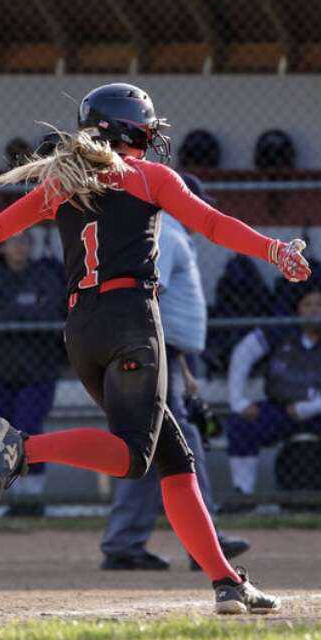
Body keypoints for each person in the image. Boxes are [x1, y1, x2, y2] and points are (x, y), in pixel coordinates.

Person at [0, 82, 310, 614]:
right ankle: (25, 448)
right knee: (135, 456)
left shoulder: (60, 184)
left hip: (81, 330)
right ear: (130, 129)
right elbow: (211, 223)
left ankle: (227, 583)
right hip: (131, 320)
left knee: (174, 459)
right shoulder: (149, 177)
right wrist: (274, 249)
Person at [99, 172, 251, 571]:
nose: (204, 212)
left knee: (150, 449)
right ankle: (204, 544)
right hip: (154, 351)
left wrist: (180, 363)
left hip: (166, 352)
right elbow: (148, 298)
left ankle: (126, 542)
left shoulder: (170, 235)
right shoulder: (165, 233)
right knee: (184, 445)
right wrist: (160, 358)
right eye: (197, 203)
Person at [224, 280, 321, 500]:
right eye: (307, 305)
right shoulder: (282, 329)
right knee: (241, 423)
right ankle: (243, 493)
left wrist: (308, 408)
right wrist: (237, 401)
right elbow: (243, 353)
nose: (314, 310)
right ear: (298, 309)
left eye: (320, 304)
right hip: (282, 409)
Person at [0, 230, 66, 517]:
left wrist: (14, 313)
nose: (20, 246)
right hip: (2, 370)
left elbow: (52, 311)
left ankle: (33, 497)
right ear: (1, 248)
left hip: (39, 369)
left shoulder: (45, 275)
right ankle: (17, 499)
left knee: (27, 429)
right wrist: (27, 310)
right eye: (13, 241)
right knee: (5, 434)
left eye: (26, 240)